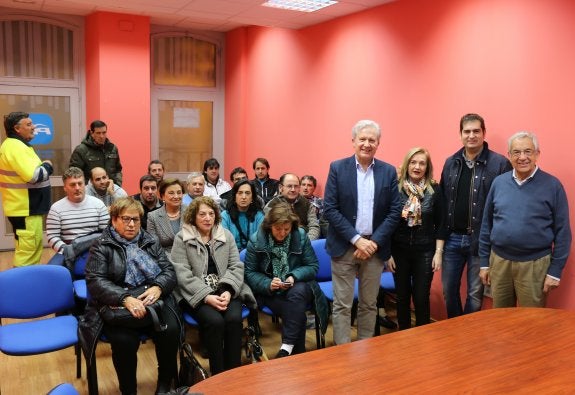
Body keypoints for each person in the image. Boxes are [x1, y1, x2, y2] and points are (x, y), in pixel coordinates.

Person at [79, 197, 181, 394]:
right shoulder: (101, 246)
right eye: (126, 219)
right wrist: (124, 298)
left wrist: (158, 287)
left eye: (135, 219)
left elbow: (168, 271)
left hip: (153, 299)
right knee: (124, 342)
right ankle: (128, 390)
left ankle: (164, 385)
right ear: (114, 219)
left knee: (171, 330)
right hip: (119, 305)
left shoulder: (149, 241)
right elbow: (96, 282)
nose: (132, 224)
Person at [324, 119, 402, 344]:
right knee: (342, 305)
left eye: (372, 140)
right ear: (353, 142)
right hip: (344, 246)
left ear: (378, 143)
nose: (367, 144)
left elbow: (394, 211)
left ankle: (366, 350)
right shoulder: (338, 168)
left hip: (375, 249)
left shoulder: (388, 171)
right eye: (363, 139)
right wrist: (358, 240)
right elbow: (330, 208)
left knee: (369, 304)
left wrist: (373, 242)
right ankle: (342, 353)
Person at [479, 132, 572, 308]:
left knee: (532, 321)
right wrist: (484, 262)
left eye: (528, 151)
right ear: (509, 155)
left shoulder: (553, 186)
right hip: (499, 262)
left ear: (537, 154)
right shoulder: (498, 183)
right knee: (500, 316)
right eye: (516, 152)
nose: (522, 157)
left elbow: (563, 233)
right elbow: (486, 225)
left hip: (535, 265)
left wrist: (555, 272)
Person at [171, 196, 256, 375]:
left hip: (225, 289)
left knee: (233, 319)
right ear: (193, 216)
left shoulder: (226, 235)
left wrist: (228, 290)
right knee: (215, 321)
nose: (207, 218)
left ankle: (233, 371)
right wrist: (206, 296)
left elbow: (236, 266)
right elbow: (182, 273)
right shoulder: (182, 238)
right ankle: (218, 373)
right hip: (196, 292)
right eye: (202, 214)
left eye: (211, 214)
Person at [438, 113, 512, 318]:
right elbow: (443, 201)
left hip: (481, 241)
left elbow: (505, 204)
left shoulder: (500, 164)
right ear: (460, 134)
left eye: (476, 131)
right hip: (452, 239)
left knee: (475, 294)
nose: (471, 135)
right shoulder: (451, 162)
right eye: (467, 131)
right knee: (448, 291)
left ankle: (468, 334)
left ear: (484, 133)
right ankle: (455, 329)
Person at [244, 202, 328, 358]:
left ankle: (286, 348)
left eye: (286, 229)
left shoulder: (300, 235)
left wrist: (294, 276)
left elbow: (312, 266)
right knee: (297, 313)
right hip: (269, 293)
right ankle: (294, 355)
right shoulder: (256, 240)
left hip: (296, 287)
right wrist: (268, 283)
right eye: (277, 229)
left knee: (299, 292)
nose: (282, 233)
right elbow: (249, 273)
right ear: (269, 226)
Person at [388, 148, 443, 330]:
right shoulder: (394, 188)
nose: (417, 167)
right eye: (413, 162)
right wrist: (387, 254)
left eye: (422, 163)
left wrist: (438, 252)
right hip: (399, 251)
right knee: (402, 296)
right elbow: (386, 222)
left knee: (421, 297)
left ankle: (423, 336)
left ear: (427, 167)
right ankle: (403, 334)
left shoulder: (435, 190)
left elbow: (441, 223)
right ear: (406, 164)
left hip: (425, 251)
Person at [0, 111, 53, 266]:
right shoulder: (15, 147)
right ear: (17, 129)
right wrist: (48, 165)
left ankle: (27, 285)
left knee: (29, 252)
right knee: (27, 256)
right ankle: (20, 288)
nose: (33, 127)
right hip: (26, 209)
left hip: (26, 209)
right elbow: (35, 176)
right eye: (29, 124)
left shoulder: (14, 145)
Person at [46, 167, 109, 263]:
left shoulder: (98, 204)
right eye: (72, 185)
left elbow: (106, 233)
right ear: (65, 188)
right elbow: (52, 237)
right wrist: (66, 250)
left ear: (85, 185)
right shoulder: (56, 209)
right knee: (52, 273)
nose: (77, 188)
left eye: (80, 183)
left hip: (95, 250)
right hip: (66, 250)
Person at [265, 173, 321, 241]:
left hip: (304, 242)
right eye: (289, 186)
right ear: (280, 188)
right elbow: (267, 230)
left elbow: (314, 227)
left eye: (296, 186)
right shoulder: (271, 206)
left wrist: (306, 242)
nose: (293, 189)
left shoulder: (307, 204)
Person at [70, 119, 123, 186]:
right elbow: (75, 173)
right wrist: (87, 188)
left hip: (111, 189)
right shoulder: (81, 150)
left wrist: (117, 184)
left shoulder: (112, 148)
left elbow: (118, 169)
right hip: (90, 191)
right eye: (98, 133)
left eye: (104, 133)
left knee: (124, 195)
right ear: (92, 133)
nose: (102, 136)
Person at [221, 179, 265, 251]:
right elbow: (224, 242)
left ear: (252, 197)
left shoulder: (259, 216)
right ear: (234, 196)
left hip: (253, 253)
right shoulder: (225, 216)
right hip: (231, 254)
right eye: (240, 193)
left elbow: (260, 241)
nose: (244, 197)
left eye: (247, 193)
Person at [147, 178, 186, 257]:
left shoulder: (191, 212)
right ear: (162, 196)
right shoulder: (153, 216)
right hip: (166, 259)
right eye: (171, 193)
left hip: (189, 256)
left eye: (179, 193)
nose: (176, 196)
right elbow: (154, 246)